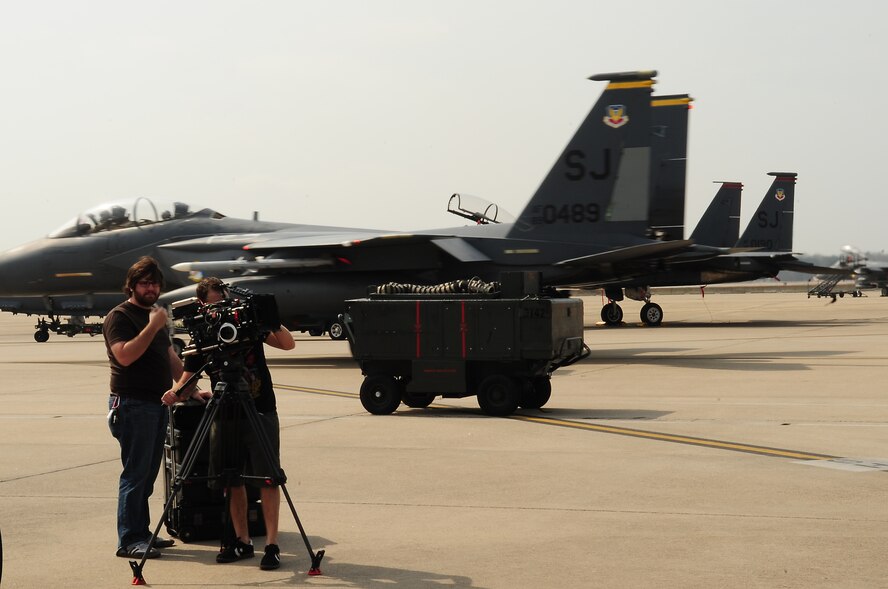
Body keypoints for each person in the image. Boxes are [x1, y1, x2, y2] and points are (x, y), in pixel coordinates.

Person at [162, 277, 295, 570]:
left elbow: (288, 344)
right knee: (230, 479)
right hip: (224, 412)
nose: (222, 312)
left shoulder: (249, 326)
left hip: (259, 409)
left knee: (268, 478)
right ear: (202, 305)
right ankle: (242, 541)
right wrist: (175, 393)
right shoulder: (205, 335)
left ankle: (271, 544)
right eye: (215, 305)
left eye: (225, 303)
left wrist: (269, 318)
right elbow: (186, 381)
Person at [104, 256, 203, 559]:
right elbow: (124, 356)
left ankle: (142, 532)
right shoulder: (120, 316)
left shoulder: (153, 317)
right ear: (132, 285)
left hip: (156, 404)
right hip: (132, 405)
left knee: (147, 474)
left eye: (154, 283)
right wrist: (153, 326)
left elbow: (171, 360)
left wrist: (191, 389)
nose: (151, 288)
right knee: (135, 474)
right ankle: (129, 539)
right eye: (144, 283)